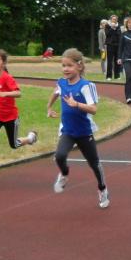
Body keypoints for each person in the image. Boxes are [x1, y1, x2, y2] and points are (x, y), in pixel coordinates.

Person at [46, 48, 109, 209]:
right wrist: (49, 107)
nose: (65, 69)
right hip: (68, 131)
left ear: (79, 66)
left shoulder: (86, 86)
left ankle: (102, 188)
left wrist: (77, 104)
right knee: (59, 156)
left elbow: (93, 109)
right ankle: (64, 174)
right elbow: (56, 92)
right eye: (63, 65)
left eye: (69, 66)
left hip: (84, 132)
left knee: (94, 164)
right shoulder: (61, 82)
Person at [0, 48, 38, 180]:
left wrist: (5, 94)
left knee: (14, 144)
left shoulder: (7, 78)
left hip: (11, 117)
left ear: (3, 63)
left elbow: (18, 93)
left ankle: (30, 138)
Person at [104, 14, 121, 80]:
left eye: (116, 19)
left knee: (117, 61)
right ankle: (109, 76)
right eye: (113, 19)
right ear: (111, 20)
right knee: (110, 61)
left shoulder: (118, 26)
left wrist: (115, 29)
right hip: (110, 45)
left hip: (117, 45)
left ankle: (117, 75)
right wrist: (112, 28)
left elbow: (119, 35)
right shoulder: (107, 26)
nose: (114, 20)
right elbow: (107, 34)